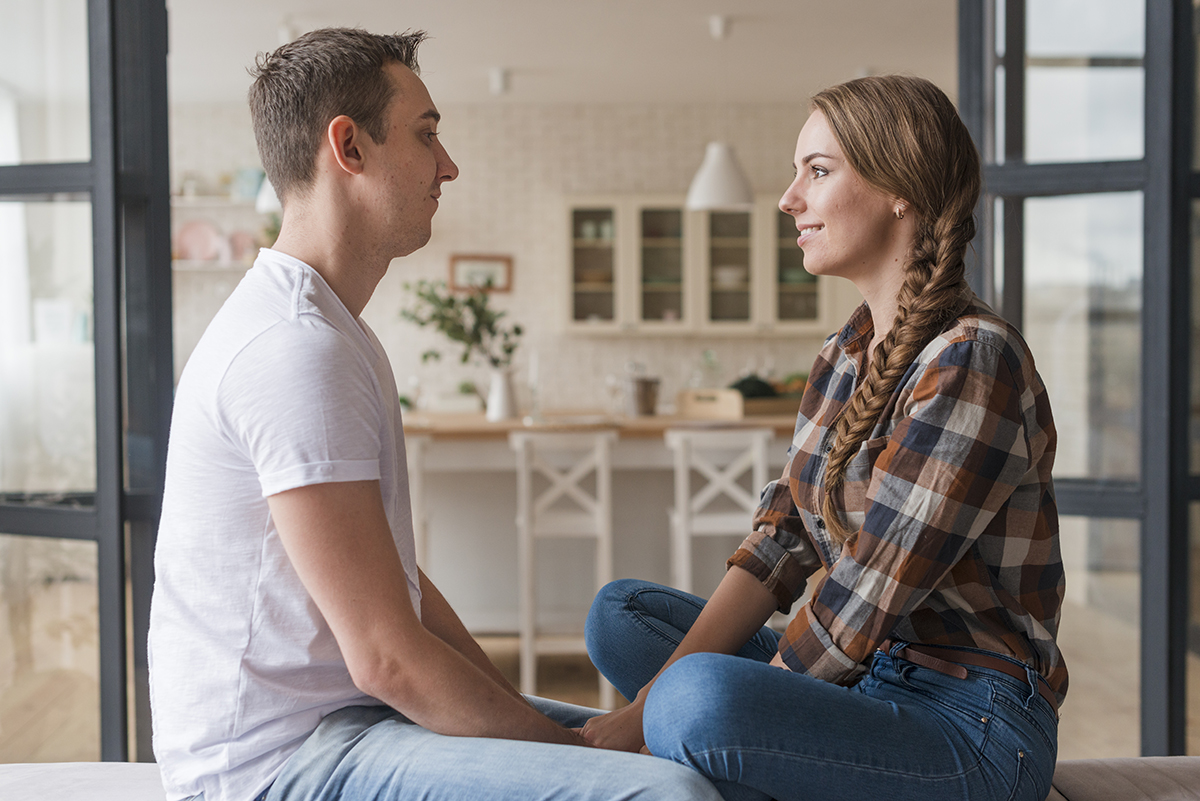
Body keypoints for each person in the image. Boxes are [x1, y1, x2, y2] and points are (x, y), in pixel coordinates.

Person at [147, 28, 723, 801]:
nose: (448, 165)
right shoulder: (293, 349)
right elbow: (385, 657)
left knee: (674, 748)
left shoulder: (330, 331)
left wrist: (526, 718)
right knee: (664, 795)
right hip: (275, 764)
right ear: (347, 147)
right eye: (427, 136)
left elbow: (391, 582)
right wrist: (556, 749)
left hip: (350, 720)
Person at [580, 75, 1068, 801]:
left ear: (901, 188)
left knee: (693, 698)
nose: (788, 199)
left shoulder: (972, 357)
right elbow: (779, 543)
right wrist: (654, 707)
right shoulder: (845, 355)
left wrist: (643, 717)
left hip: (974, 720)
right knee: (621, 615)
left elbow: (865, 595)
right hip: (871, 679)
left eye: (817, 171)